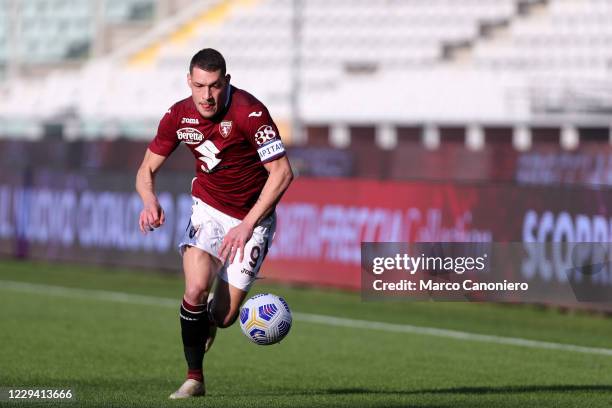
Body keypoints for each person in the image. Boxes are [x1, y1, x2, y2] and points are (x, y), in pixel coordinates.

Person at [135, 48, 293, 399]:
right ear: (189, 82)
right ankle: (195, 379)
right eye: (200, 86)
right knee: (194, 288)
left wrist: (248, 224)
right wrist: (149, 200)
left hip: (254, 218)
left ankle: (207, 318)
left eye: (215, 86)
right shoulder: (178, 115)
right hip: (207, 208)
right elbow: (146, 169)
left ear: (227, 82)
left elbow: (282, 172)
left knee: (223, 317)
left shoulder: (250, 112)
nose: (207, 95)